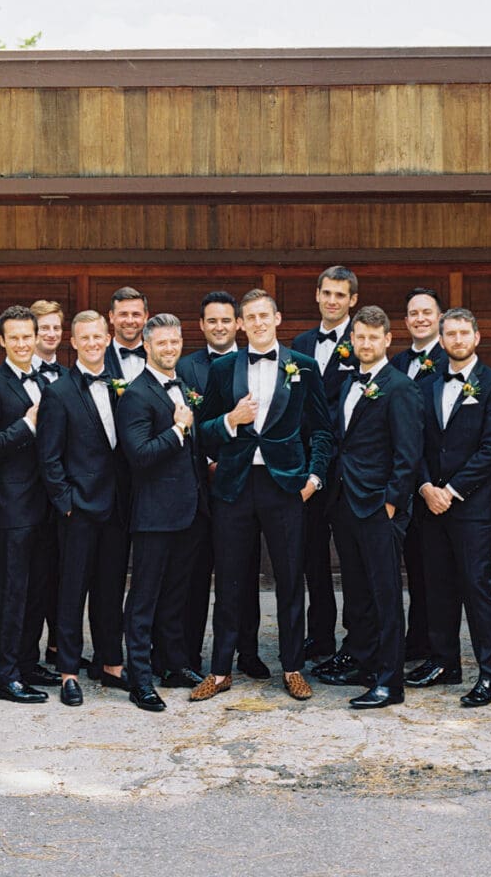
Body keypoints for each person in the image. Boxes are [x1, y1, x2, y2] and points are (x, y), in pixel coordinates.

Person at [192, 289, 333, 702]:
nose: (255, 323)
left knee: (290, 578)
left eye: (262, 316)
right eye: (248, 317)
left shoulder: (302, 367)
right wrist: (230, 421)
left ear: (277, 319)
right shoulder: (223, 369)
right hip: (234, 486)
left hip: (286, 486)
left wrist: (314, 478)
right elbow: (202, 431)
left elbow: (322, 431)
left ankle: (292, 668)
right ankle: (220, 671)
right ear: (240, 324)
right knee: (231, 580)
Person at [406, 308, 491, 707]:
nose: (456, 339)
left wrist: (450, 489)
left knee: (476, 587)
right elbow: (415, 442)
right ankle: (444, 661)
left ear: (476, 337)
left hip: (472, 506)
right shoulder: (427, 385)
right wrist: (425, 487)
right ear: (442, 337)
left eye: (463, 333)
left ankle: (490, 674)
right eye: (449, 333)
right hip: (431, 503)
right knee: (437, 585)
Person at [325, 306, 423, 709]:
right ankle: (365, 663)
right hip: (346, 503)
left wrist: (391, 502)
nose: (365, 343)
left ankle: (390, 682)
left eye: (372, 337)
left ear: (387, 340)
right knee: (359, 592)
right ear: (352, 341)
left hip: (378, 506)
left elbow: (408, 453)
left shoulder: (399, 387)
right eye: (359, 337)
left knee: (384, 595)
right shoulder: (349, 381)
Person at [36, 311, 130, 707]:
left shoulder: (120, 385)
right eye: (84, 338)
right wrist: (67, 504)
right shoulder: (58, 393)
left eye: (98, 337)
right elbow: (49, 457)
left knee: (110, 589)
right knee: (72, 592)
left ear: (107, 338)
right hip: (78, 509)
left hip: (117, 508)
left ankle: (111, 664)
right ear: (73, 343)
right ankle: (69, 671)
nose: (92, 343)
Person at [0, 305, 60, 704]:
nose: (24, 344)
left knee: (39, 587)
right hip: (15, 503)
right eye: (16, 338)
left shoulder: (44, 379)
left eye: (29, 336)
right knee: (12, 591)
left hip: (47, 502)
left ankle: (26, 661)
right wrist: (26, 426)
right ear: (2, 340)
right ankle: (3, 677)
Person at [118, 314, 207, 711]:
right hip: (154, 514)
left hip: (188, 511)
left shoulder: (184, 386)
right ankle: (140, 680)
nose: (170, 349)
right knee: (145, 600)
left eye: (175, 342)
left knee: (175, 596)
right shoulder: (136, 394)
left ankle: (172, 664)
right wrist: (177, 431)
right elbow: (138, 455)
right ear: (147, 346)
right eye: (162, 344)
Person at [177, 291, 266, 679]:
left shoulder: (251, 363)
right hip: (199, 484)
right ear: (201, 325)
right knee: (196, 574)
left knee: (243, 572)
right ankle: (191, 656)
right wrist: (210, 462)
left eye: (226, 320)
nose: (219, 327)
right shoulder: (184, 367)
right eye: (211, 321)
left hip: (242, 483)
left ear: (239, 324)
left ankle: (247, 652)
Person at [292, 265, 358, 663]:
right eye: (327, 293)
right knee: (312, 558)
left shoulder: (362, 340)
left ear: (352, 300)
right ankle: (319, 638)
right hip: (311, 469)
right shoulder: (300, 343)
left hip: (350, 471)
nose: (332, 300)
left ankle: (355, 641)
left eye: (341, 295)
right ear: (317, 295)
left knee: (352, 560)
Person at [390, 286, 447, 663]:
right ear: (406, 320)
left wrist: (429, 484)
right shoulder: (395, 363)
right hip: (403, 484)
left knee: (436, 573)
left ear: (439, 317)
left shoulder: (451, 360)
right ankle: (414, 640)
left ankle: (435, 647)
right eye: (414, 313)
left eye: (427, 311)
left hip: (437, 486)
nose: (420, 318)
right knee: (409, 567)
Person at [29, 299, 70, 670]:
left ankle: (59, 648)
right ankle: (29, 655)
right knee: (35, 576)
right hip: (30, 491)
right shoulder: (19, 376)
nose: (51, 334)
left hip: (64, 491)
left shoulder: (69, 374)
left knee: (63, 573)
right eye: (44, 328)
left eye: (56, 327)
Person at [104, 286, 148, 384]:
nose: (129, 321)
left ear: (145, 317)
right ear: (111, 316)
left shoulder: (157, 356)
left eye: (136, 314)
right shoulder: (99, 358)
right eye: (123, 314)